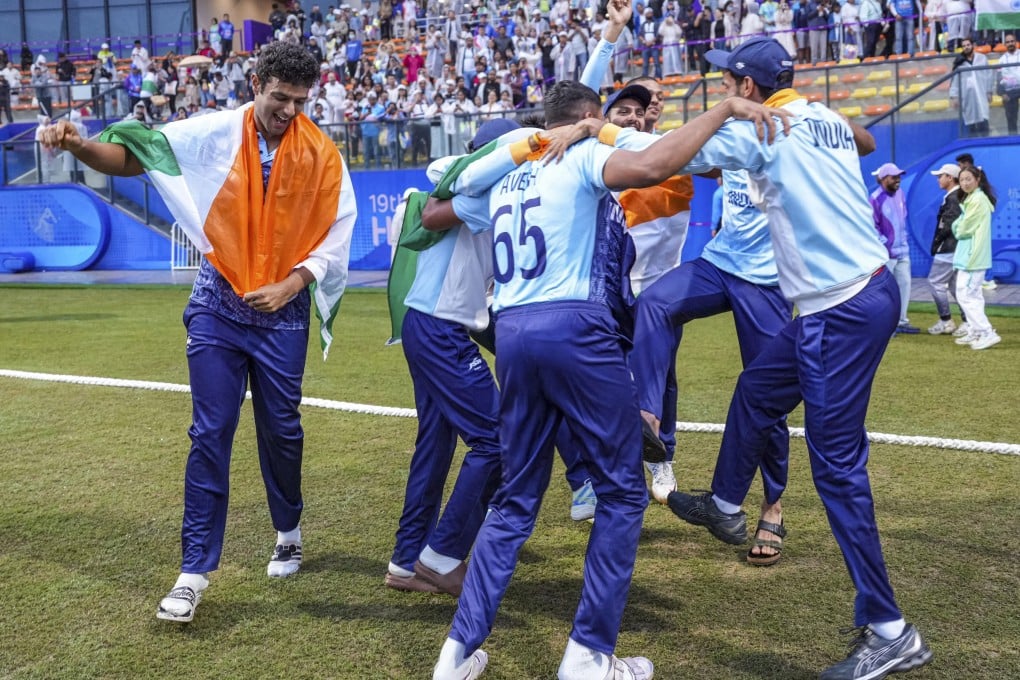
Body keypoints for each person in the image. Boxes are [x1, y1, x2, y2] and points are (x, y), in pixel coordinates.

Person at [425, 77, 785, 680]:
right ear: (588, 117)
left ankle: (454, 655)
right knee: (621, 493)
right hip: (575, 327)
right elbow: (657, 162)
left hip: (511, 331)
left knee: (515, 500)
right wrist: (722, 108)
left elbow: (445, 195)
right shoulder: (583, 149)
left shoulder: (507, 167)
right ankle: (588, 656)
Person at [38, 41, 357, 624]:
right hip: (218, 302)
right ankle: (192, 573)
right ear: (255, 82)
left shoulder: (323, 154)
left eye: (300, 101)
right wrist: (81, 144)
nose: (289, 111)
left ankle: (288, 528)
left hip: (282, 311)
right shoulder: (212, 131)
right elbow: (139, 160)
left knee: (281, 428)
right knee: (210, 431)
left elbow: (337, 235)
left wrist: (294, 284)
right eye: (279, 98)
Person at [651, 38, 932, 680]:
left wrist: (595, 127)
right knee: (757, 391)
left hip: (840, 307)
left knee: (837, 468)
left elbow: (652, 159)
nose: (721, 90)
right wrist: (830, 128)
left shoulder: (756, 131)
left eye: (727, 84)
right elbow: (862, 140)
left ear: (747, 89)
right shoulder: (821, 115)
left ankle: (891, 630)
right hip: (854, 294)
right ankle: (724, 505)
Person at [385, 122, 519, 597]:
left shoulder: (483, 189)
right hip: (437, 327)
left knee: (435, 445)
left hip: (431, 325)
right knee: (497, 438)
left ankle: (405, 562)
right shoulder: (471, 184)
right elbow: (446, 169)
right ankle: (440, 558)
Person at [951, 166, 1000, 349]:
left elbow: (962, 229)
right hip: (971, 255)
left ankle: (986, 331)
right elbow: (961, 225)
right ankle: (976, 330)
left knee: (966, 295)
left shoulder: (977, 199)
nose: (964, 183)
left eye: (968, 179)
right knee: (973, 295)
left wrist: (957, 226)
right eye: (962, 179)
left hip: (972, 256)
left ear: (977, 179)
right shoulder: (974, 198)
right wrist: (959, 225)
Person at [870, 162, 919, 334]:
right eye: (894, 177)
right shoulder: (875, 199)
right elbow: (871, 226)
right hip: (886, 254)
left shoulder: (900, 194)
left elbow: (903, 220)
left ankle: (902, 322)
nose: (898, 180)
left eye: (899, 176)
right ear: (883, 179)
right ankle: (885, 325)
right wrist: (884, 244)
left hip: (903, 252)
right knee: (885, 291)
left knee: (904, 287)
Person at [926, 163, 965, 335]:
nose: (937, 180)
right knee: (955, 286)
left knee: (935, 282)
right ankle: (968, 320)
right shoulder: (954, 196)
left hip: (948, 248)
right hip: (953, 248)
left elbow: (947, 225)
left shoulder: (954, 197)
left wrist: (936, 242)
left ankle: (946, 320)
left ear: (950, 177)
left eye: (940, 176)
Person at [949, 38, 993, 137]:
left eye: (968, 45)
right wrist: (954, 96)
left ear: (972, 45)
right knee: (971, 124)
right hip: (968, 97)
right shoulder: (959, 63)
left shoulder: (982, 58)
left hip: (981, 94)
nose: (966, 47)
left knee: (984, 121)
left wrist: (989, 91)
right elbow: (955, 81)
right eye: (964, 46)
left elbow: (989, 75)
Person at [997, 34, 1020, 135]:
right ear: (1005, 44)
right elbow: (999, 78)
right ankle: (1013, 140)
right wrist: (1002, 93)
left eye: (1012, 41)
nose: (1010, 43)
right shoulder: (1001, 59)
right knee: (1011, 120)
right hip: (1009, 92)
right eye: (1008, 42)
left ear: (1016, 42)